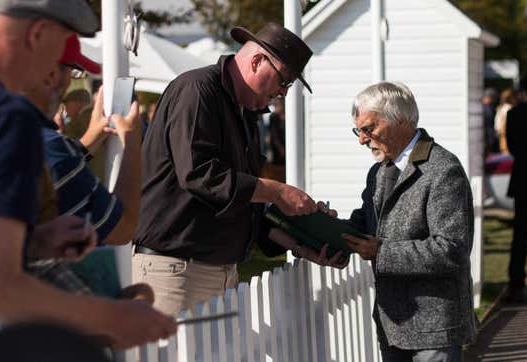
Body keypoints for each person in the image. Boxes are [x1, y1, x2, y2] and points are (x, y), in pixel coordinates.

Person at [0, 1, 175, 361]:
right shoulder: (5, 119)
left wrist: (31, 242)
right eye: (62, 46)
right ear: (38, 34)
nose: (58, 71)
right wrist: (114, 316)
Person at [132, 22, 344, 316]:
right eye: (284, 81)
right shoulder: (197, 90)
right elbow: (199, 174)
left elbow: (245, 208)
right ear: (257, 61)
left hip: (213, 269)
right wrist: (277, 191)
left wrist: (302, 242)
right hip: (172, 269)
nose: (283, 92)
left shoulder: (248, 113)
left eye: (289, 86)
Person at [342, 82, 475, 361]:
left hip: (434, 327)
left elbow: (451, 250)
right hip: (392, 324)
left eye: (369, 129)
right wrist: (327, 226)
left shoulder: (442, 169)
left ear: (401, 121)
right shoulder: (378, 171)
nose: (362, 140)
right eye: (359, 130)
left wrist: (381, 251)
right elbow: (367, 222)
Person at [24, 34, 151, 301]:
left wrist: (88, 140)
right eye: (73, 70)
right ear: (50, 74)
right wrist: (131, 141)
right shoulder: (51, 148)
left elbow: (54, 175)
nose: (70, 81)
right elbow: (123, 227)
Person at [505, 69, 527, 302]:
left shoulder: (515, 114)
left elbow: (513, 147)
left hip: (524, 178)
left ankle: (516, 281)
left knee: (520, 234)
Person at [494, 88, 517, 154]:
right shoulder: (509, 108)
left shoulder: (501, 107)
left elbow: (497, 125)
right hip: (505, 136)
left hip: (501, 135)